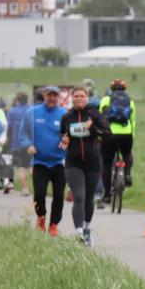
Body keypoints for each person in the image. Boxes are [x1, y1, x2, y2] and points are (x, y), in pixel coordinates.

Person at [60, 87, 110, 245]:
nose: (79, 98)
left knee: (89, 199)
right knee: (79, 196)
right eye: (76, 96)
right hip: (73, 163)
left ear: (87, 98)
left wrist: (93, 128)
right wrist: (64, 139)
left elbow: (108, 134)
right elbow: (62, 134)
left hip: (93, 162)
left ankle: (87, 228)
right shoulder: (67, 117)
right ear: (72, 98)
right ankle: (79, 233)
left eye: (82, 96)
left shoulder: (95, 114)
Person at [24, 86, 68, 235]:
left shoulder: (64, 114)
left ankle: (54, 224)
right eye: (49, 95)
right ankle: (41, 218)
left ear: (58, 97)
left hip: (58, 162)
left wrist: (67, 139)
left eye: (55, 96)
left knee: (59, 195)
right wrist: (28, 145)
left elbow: (70, 134)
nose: (52, 98)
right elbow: (22, 134)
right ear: (44, 95)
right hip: (40, 162)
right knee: (39, 194)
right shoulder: (32, 112)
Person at [99, 79, 136, 204]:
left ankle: (107, 195)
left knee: (107, 163)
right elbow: (133, 121)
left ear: (112, 89)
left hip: (109, 134)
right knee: (127, 155)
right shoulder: (130, 101)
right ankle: (127, 175)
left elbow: (99, 118)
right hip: (126, 134)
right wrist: (132, 135)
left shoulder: (105, 100)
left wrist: (100, 135)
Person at [6, 92, 31, 196]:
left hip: (16, 143)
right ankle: (38, 186)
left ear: (17, 100)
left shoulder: (12, 111)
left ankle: (25, 189)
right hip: (30, 142)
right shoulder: (31, 110)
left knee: (19, 167)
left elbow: (9, 127)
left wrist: (8, 139)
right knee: (31, 166)